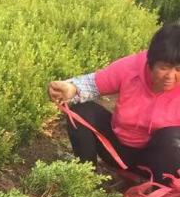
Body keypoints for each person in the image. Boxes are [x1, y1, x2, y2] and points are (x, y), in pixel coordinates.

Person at [48, 22, 180, 184]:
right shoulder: (131, 67)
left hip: (158, 163)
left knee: (174, 137)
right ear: (150, 62)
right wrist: (71, 89)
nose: (170, 76)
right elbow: (93, 83)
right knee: (82, 112)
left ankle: (160, 191)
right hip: (118, 152)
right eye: (164, 67)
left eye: (178, 70)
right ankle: (85, 181)